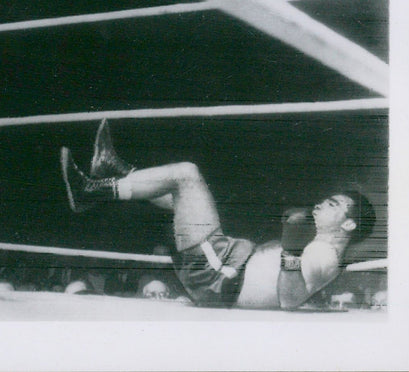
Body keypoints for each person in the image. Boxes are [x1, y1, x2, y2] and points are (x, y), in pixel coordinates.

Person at [59, 119, 375, 310]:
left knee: (186, 174)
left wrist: (291, 251)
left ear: (348, 223)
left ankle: (92, 190)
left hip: (218, 276)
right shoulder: (323, 250)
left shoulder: (325, 255)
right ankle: (117, 172)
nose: (321, 203)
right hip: (223, 267)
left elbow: (289, 301)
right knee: (178, 196)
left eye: (333, 204)